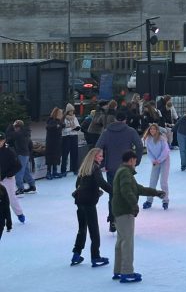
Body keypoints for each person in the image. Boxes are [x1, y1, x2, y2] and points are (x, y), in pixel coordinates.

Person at [111, 151, 164, 283]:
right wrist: (134, 205)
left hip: (118, 210)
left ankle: (118, 270)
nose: (136, 163)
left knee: (121, 241)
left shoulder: (123, 171)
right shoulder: (125, 172)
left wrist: (155, 193)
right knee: (127, 242)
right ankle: (127, 272)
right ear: (131, 160)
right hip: (124, 211)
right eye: (135, 161)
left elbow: (137, 188)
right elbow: (126, 191)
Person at [95, 111, 144, 233]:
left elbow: (97, 147)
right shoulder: (130, 131)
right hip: (126, 167)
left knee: (113, 194)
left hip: (111, 168)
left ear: (115, 119)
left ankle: (113, 220)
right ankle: (125, 221)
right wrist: (136, 161)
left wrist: (101, 162)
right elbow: (139, 145)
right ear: (125, 120)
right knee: (128, 192)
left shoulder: (106, 132)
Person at [70, 148, 112, 267]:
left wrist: (92, 190)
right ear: (94, 157)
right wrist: (114, 192)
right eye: (100, 156)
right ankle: (95, 256)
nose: (102, 158)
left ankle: (76, 254)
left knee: (82, 229)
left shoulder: (84, 168)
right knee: (94, 230)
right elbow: (101, 183)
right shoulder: (95, 168)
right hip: (88, 202)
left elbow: (78, 184)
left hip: (80, 201)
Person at [141, 124, 170, 210]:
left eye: (154, 129)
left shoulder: (162, 138)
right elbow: (149, 152)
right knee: (152, 182)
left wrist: (159, 160)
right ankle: (149, 201)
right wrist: (153, 160)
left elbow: (166, 150)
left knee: (163, 182)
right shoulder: (148, 139)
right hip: (155, 162)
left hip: (164, 161)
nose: (152, 131)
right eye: (151, 129)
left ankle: (165, 200)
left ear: (157, 130)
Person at [0, 132, 25, 224]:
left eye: (1, 140)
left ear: (4, 141)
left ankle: (19, 214)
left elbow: (18, 166)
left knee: (11, 198)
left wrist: (9, 174)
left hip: (7, 179)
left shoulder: (9, 151)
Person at [6, 120, 36, 195]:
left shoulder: (19, 134)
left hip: (21, 155)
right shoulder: (25, 133)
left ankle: (20, 188)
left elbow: (9, 134)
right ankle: (32, 185)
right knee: (25, 171)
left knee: (19, 171)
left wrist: (10, 125)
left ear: (18, 127)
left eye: (15, 127)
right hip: (26, 154)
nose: (14, 129)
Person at [61, 103, 81, 176]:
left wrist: (75, 128)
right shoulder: (64, 119)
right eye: (70, 111)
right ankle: (63, 170)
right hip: (66, 137)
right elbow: (64, 130)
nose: (72, 112)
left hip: (74, 137)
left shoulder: (75, 118)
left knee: (75, 154)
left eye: (73, 111)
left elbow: (78, 126)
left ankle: (75, 169)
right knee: (65, 154)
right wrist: (72, 128)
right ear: (67, 111)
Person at [45, 107, 64, 179]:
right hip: (51, 142)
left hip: (57, 142)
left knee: (56, 156)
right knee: (50, 157)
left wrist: (61, 125)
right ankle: (48, 172)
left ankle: (55, 171)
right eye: (60, 113)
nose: (61, 115)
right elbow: (49, 127)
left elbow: (60, 126)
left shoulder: (59, 121)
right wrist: (57, 126)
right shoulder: (51, 121)